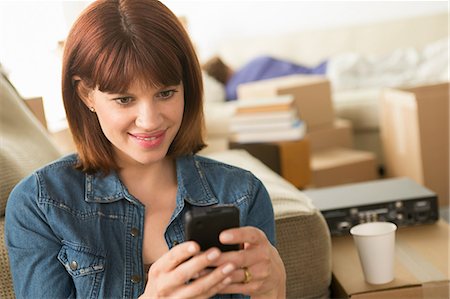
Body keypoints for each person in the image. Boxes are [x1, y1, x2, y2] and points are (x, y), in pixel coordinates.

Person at [5, 0, 286, 298]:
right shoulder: (40, 206)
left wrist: (275, 289)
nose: (150, 121)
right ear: (86, 94)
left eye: (166, 93)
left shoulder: (243, 194)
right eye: (124, 99)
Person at [202, 55, 327, 101]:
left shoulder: (232, 92)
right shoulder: (254, 63)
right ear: (227, 67)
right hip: (323, 71)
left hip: (321, 78)